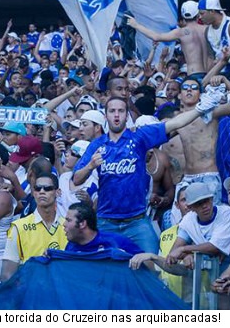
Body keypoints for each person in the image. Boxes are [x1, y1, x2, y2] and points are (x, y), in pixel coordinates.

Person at [72, 92, 222, 254]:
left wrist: (200, 109)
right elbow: (76, 179)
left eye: (121, 111)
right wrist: (90, 166)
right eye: (112, 111)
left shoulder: (139, 137)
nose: (116, 115)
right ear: (105, 115)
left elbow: (174, 123)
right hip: (106, 221)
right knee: (106, 271)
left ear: (127, 115)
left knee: (152, 266)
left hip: (137, 221)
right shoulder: (96, 145)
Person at [173, 75, 230, 205]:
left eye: (194, 88)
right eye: (185, 88)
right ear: (179, 95)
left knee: (211, 221)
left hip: (208, 176)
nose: (189, 90)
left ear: (200, 94)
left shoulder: (211, 113)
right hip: (187, 179)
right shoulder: (176, 120)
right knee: (186, 222)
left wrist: (224, 80)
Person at [1, 173, 67, 281]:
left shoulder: (68, 227)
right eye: (37, 188)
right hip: (29, 292)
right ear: (33, 193)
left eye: (47, 188)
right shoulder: (19, 227)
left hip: (61, 291)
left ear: (58, 192)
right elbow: (7, 274)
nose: (42, 191)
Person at [126, 1, 212, 78]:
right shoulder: (208, 29)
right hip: (210, 74)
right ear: (198, 14)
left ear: (183, 15)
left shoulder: (180, 32)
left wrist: (136, 25)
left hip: (193, 73)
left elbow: (156, 37)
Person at [165, 183, 230, 269]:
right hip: (208, 273)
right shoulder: (188, 220)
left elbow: (214, 247)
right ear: (190, 207)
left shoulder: (226, 212)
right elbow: (174, 250)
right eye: (199, 203)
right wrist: (186, 256)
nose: (204, 206)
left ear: (212, 199)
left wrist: (184, 249)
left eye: (206, 201)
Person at [63, 202, 143, 255]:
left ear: (82, 224)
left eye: (68, 220)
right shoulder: (70, 247)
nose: (64, 224)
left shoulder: (116, 242)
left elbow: (147, 264)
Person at [199, 0, 230, 79]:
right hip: (219, 73)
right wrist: (208, 76)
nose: (200, 17)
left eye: (202, 13)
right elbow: (211, 58)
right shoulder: (207, 31)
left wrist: (220, 60)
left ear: (212, 11)